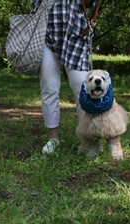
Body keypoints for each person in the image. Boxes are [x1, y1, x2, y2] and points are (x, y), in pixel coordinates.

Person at [31, 0, 95, 154]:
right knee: (49, 87)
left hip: (76, 35)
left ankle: (88, 140)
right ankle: (53, 139)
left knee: (83, 89)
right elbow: (34, 8)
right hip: (45, 36)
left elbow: (88, 3)